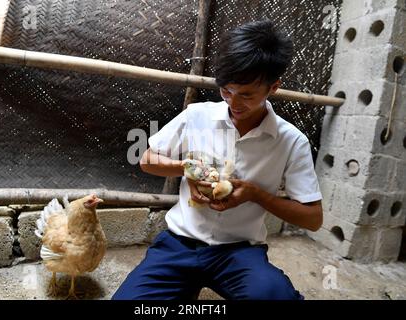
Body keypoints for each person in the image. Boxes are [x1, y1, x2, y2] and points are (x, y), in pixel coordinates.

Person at [112, 19, 323, 300]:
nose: (234, 104)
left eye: (247, 95)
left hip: (239, 251)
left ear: (273, 88)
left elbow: (313, 219)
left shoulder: (291, 140)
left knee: (274, 296)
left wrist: (254, 194)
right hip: (179, 243)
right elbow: (147, 159)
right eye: (226, 90)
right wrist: (185, 168)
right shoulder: (197, 115)